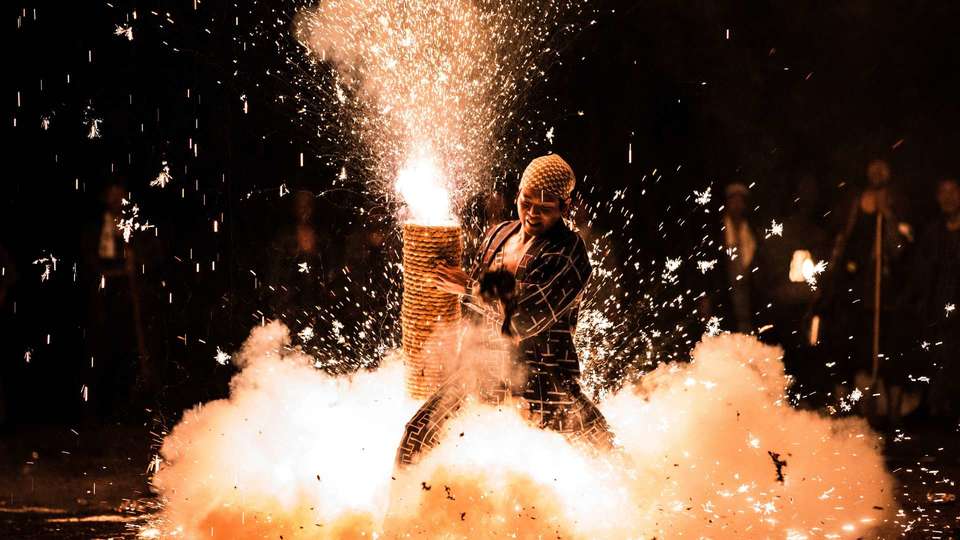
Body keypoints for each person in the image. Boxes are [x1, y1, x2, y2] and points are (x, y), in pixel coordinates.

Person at [395, 154, 614, 467]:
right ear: (518, 195)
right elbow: (474, 316)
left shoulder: (569, 253)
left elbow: (525, 318)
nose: (532, 214)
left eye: (545, 208)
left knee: (606, 454)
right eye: (526, 203)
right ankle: (397, 514)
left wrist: (470, 288)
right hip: (482, 370)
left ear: (565, 207)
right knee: (417, 435)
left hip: (543, 378)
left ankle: (649, 508)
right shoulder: (499, 234)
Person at [817, 159, 913, 425]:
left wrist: (889, 215)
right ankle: (857, 408)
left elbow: (902, 248)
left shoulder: (898, 203)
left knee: (889, 349)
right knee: (856, 346)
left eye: (882, 169)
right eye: (872, 169)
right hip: (858, 291)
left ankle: (891, 411)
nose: (877, 174)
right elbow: (844, 244)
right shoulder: (854, 206)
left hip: (889, 295)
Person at [901, 177, 960, 418]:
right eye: (943, 193)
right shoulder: (933, 232)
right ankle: (935, 407)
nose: (948, 198)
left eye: (953, 192)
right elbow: (921, 271)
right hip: (936, 308)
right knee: (936, 356)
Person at [699, 183, 763, 333]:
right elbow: (707, 266)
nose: (737, 205)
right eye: (733, 200)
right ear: (727, 203)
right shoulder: (716, 233)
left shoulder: (752, 231)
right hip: (723, 295)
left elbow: (758, 263)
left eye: (740, 201)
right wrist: (705, 296)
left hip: (748, 295)